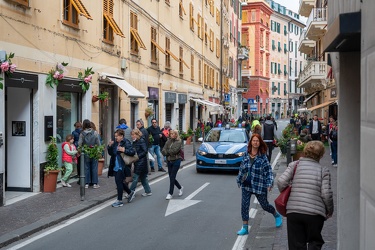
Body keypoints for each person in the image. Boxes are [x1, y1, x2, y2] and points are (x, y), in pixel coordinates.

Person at [277, 141, 334, 249]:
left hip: (294, 211)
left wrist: (289, 192)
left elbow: (280, 182)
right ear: (321, 155)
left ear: (305, 151)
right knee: (315, 242)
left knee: (296, 245)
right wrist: (329, 210)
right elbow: (326, 194)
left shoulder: (294, 165)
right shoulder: (323, 171)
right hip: (315, 213)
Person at [236, 133, 282, 235]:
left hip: (259, 184)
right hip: (247, 184)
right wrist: (239, 180)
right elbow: (242, 168)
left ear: (259, 143)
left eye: (257, 141)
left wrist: (269, 183)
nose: (255, 142)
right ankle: (245, 227)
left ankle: (276, 214)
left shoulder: (263, 157)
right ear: (251, 142)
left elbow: (268, 171)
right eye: (254, 140)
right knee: (244, 205)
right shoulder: (246, 154)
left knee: (265, 205)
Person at [107, 129, 136, 207]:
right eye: (115, 136)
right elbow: (110, 153)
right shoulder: (115, 143)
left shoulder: (126, 142)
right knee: (120, 182)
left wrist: (124, 150)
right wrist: (109, 146)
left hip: (122, 166)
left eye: (117, 136)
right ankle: (130, 193)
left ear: (121, 136)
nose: (115, 138)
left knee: (118, 182)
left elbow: (132, 152)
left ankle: (119, 200)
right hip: (115, 165)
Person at [78, 119, 101, 189]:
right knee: (94, 167)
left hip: (86, 152)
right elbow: (98, 143)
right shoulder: (95, 133)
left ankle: (86, 183)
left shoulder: (82, 134)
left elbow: (79, 144)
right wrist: (99, 151)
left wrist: (80, 150)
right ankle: (95, 183)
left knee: (86, 168)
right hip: (94, 151)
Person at [129, 128, 152, 196]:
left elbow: (145, 151)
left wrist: (138, 156)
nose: (132, 136)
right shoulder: (135, 142)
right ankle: (148, 191)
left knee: (135, 178)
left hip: (141, 162)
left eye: (133, 135)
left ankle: (130, 192)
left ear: (137, 135)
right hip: (139, 162)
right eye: (131, 135)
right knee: (143, 178)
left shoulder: (141, 141)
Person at [161, 130, 184, 200]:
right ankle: (180, 187)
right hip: (169, 160)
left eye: (174, 134)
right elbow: (163, 150)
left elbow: (175, 151)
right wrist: (167, 152)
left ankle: (170, 193)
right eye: (171, 134)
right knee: (171, 177)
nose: (172, 135)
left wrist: (167, 152)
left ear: (176, 135)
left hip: (177, 160)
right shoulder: (168, 141)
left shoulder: (179, 142)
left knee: (172, 176)